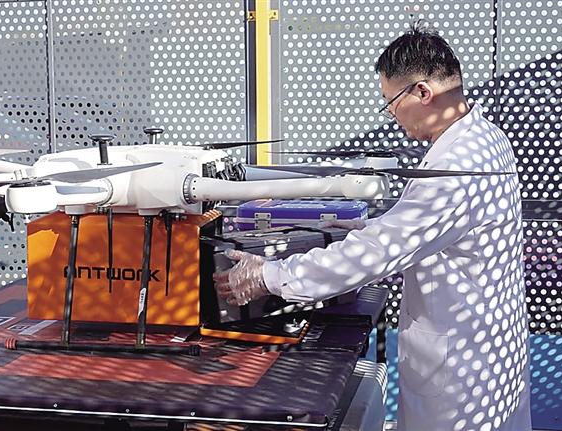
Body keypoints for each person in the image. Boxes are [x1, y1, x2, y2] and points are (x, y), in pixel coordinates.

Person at [214, 22, 532, 431]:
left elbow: (379, 251)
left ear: (422, 92)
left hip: (463, 377)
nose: (392, 116)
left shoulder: (458, 166)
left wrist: (269, 275)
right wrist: (357, 231)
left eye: (390, 101)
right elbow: (418, 230)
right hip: (488, 348)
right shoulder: (486, 137)